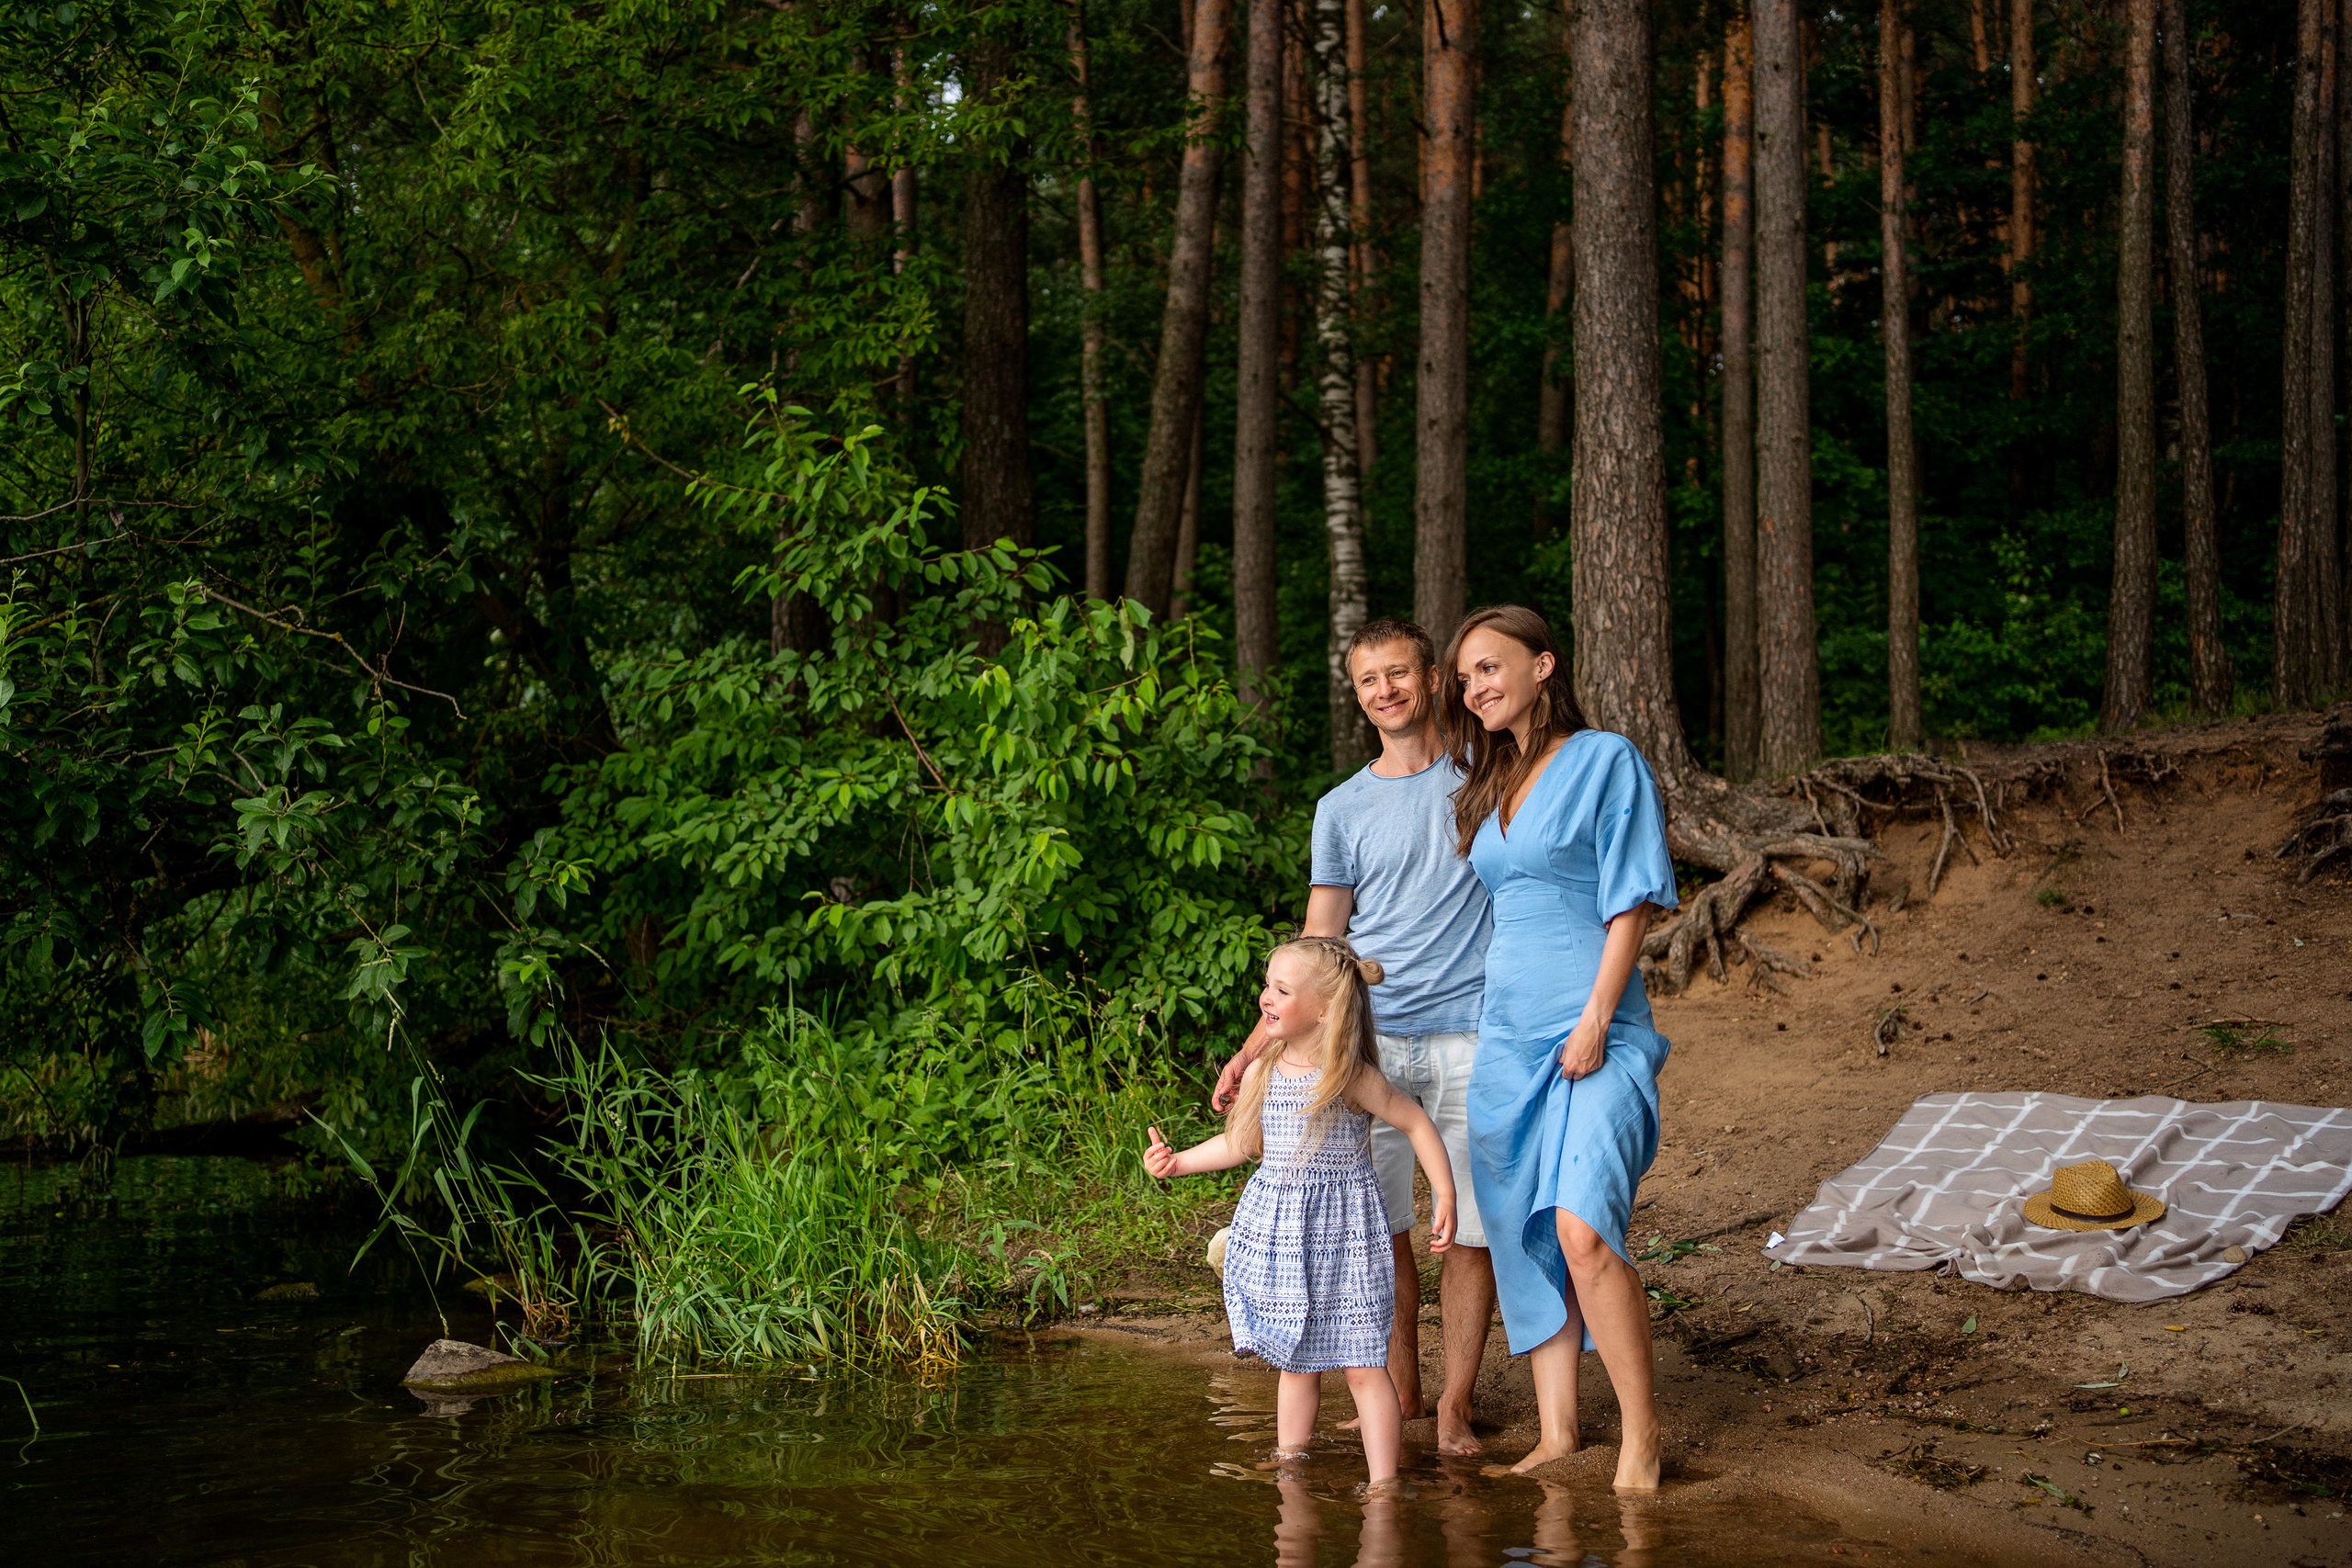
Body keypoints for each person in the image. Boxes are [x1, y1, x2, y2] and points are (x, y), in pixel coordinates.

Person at [1211, 618, 1499, 1457]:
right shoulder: (1340, 808)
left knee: (1468, 1225)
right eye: (1368, 680)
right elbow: (1317, 945)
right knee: (1378, 1230)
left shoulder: (1483, 775)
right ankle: (1400, 1388)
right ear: (1358, 692)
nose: (1385, 690)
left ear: (1433, 677)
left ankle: (1453, 1405)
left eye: (1398, 673)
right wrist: (1252, 1047)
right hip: (1365, 1046)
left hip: (1470, 1032)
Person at [1442, 604, 1678, 1493]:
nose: (1476, 688)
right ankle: (1558, 1429)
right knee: (1518, 1232)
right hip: (1505, 1039)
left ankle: (1641, 1434)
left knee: (1581, 1225)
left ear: (1544, 665)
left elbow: (1631, 903)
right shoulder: (1491, 779)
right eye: (1465, 677)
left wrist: (1596, 1017)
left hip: (1597, 1030)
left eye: (1491, 668)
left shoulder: (1606, 758)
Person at [1146, 936, 1458, 1488]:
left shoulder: (1349, 1075)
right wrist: (1179, 1163)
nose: (1266, 997)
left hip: (1346, 1237)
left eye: (1282, 989)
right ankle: (1292, 1462)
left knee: (1365, 1363)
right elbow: (1241, 1144)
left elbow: (1414, 1122)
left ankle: (1383, 1483)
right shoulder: (1267, 1069)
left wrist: (1444, 1193)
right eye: (1267, 985)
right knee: (1296, 1358)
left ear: (1324, 1009)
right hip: (1285, 1238)